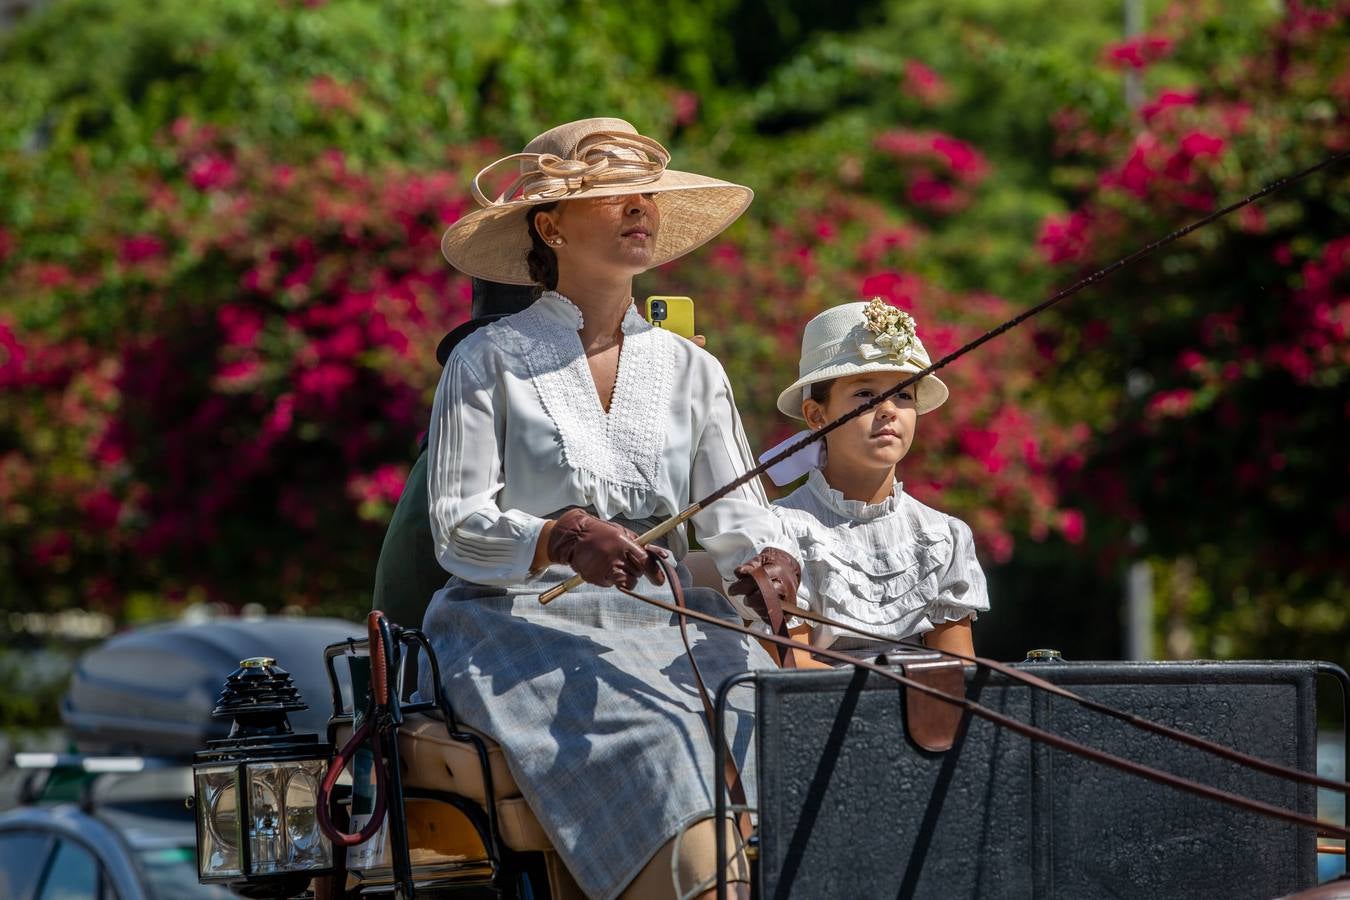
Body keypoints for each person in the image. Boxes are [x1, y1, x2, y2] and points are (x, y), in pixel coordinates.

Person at [418, 118, 800, 900]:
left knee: (784, 726)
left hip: (669, 624)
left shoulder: (692, 368)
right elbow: (456, 525)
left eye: (647, 197)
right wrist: (559, 536)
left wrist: (768, 562)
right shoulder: (485, 361)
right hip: (513, 629)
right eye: (613, 196)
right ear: (550, 225)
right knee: (666, 740)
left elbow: (741, 517)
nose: (640, 210)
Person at [760, 299, 989, 663]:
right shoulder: (781, 530)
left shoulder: (944, 536)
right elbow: (792, 674)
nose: (888, 409)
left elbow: (958, 674)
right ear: (817, 415)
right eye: (866, 394)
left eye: (903, 394)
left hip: (923, 717)